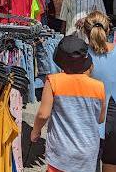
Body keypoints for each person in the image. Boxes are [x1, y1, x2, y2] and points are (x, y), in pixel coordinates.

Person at [31, 36, 106, 172]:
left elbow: (43, 114)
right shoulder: (99, 86)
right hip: (87, 152)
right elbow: (100, 119)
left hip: (61, 152)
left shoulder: (53, 81)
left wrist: (35, 132)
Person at [84, 11, 116, 172]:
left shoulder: (81, 56)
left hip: (90, 116)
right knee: (111, 162)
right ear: (108, 29)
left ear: (85, 32)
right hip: (114, 115)